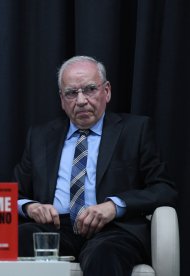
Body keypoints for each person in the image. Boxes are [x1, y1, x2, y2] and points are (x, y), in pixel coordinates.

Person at [15, 56, 176, 275]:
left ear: (106, 91)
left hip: (113, 230)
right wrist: (30, 207)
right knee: (17, 238)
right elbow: (13, 193)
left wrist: (114, 205)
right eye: (71, 93)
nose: (81, 100)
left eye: (89, 89)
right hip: (54, 228)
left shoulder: (135, 130)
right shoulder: (40, 136)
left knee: (104, 254)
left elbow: (164, 189)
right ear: (62, 100)